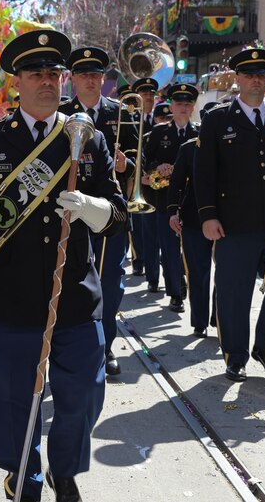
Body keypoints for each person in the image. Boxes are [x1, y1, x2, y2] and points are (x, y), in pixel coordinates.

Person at [0, 29, 127, 502]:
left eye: (54, 73)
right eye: (36, 73)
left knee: (85, 395)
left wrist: (90, 206)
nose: (48, 81)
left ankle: (63, 470)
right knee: (11, 401)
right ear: (17, 82)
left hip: (74, 295)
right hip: (9, 296)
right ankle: (23, 470)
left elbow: (118, 215)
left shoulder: (87, 138)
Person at [194, 47, 265, 382]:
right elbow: (204, 172)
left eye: (261, 74)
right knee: (233, 292)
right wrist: (208, 215)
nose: (256, 80)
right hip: (234, 222)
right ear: (238, 79)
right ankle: (236, 355)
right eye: (249, 75)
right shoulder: (216, 118)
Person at [59, 46, 136, 377]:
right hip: (71, 214)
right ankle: (71, 344)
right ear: (73, 79)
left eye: (96, 75)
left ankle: (104, 348)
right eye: (84, 74)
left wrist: (126, 164)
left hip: (109, 212)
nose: (91, 81)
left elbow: (137, 159)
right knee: (69, 280)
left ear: (103, 79)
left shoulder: (123, 113)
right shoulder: (60, 114)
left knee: (111, 282)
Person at [144, 83, 200, 313]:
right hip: (164, 198)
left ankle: (183, 278)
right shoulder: (159, 132)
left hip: (193, 198)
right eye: (179, 103)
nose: (183, 107)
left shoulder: (200, 133)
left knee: (190, 246)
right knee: (168, 247)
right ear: (171, 106)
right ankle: (175, 292)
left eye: (188, 104)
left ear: (193, 107)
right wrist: (160, 166)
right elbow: (146, 161)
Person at [167, 133, 213, 338]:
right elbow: (176, 182)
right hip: (194, 218)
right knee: (197, 271)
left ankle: (221, 317)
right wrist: (172, 212)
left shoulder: (234, 144)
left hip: (229, 219)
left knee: (227, 274)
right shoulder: (189, 148)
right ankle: (200, 321)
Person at [128, 77, 159, 278]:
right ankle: (139, 260)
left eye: (151, 93)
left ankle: (154, 261)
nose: (148, 97)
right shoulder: (131, 118)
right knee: (137, 222)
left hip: (157, 178)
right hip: (137, 176)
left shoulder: (163, 118)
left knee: (155, 223)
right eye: (144, 93)